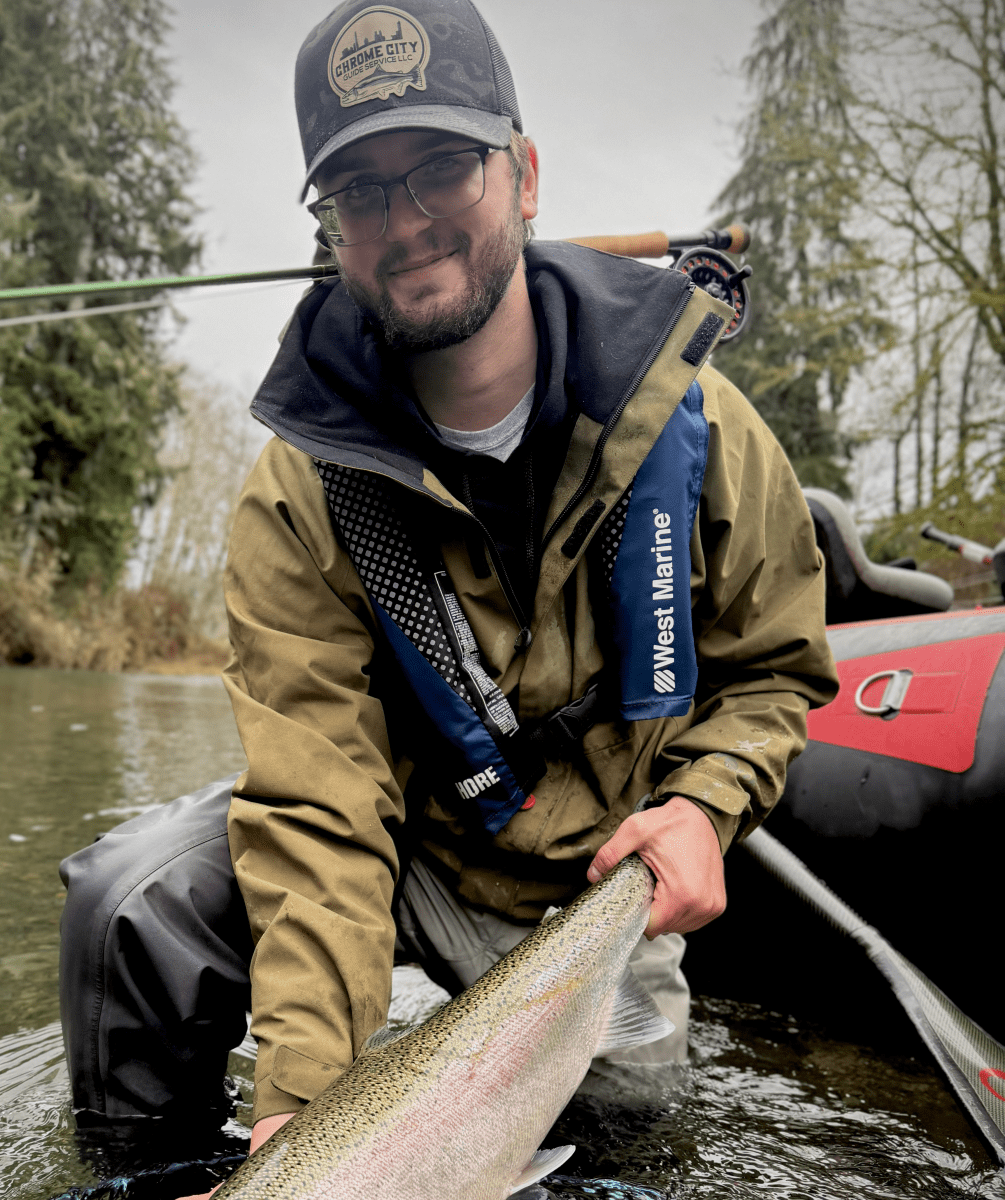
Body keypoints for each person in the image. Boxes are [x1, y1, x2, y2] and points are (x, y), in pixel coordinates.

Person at [58, 0, 839, 1188]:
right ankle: (150, 1163)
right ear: (330, 228)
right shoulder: (298, 489)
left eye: (440, 170)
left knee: (621, 1134)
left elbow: (774, 670)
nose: (405, 222)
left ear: (522, 174)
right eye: (359, 193)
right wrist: (305, 1118)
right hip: (412, 849)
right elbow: (321, 808)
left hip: (599, 880)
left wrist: (706, 806)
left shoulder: (704, 425)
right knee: (133, 905)